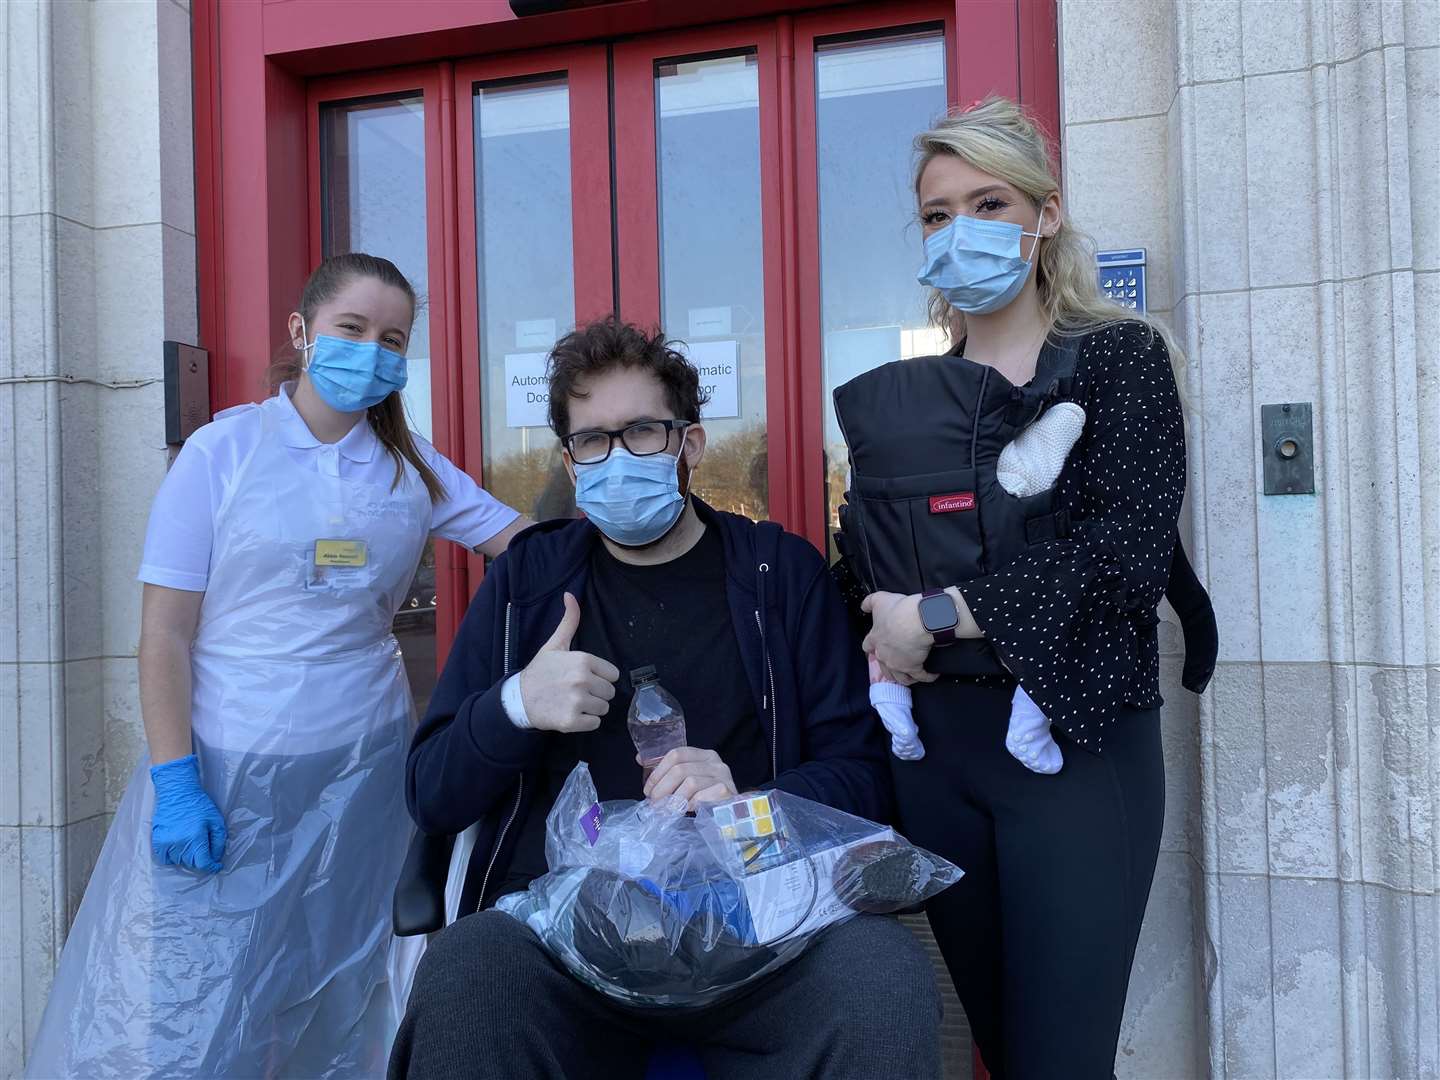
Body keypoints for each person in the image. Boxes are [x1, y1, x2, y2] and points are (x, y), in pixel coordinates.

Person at [391, 317, 941, 1080]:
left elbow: (862, 777)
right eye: (593, 440)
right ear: (570, 461)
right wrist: (515, 705)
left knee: (882, 979)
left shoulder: (779, 576)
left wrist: (748, 801)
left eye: (643, 431)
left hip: (759, 927)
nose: (617, 457)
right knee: (467, 974)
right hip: (562, 938)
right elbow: (432, 795)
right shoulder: (526, 585)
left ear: (690, 444)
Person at [26, 253, 531, 1078]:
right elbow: (164, 636)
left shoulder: (410, 465)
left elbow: (520, 544)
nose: (371, 351)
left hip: (363, 772)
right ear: (301, 332)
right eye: (352, 330)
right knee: (197, 1003)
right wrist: (176, 780)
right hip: (228, 772)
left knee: (344, 991)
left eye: (392, 339)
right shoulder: (222, 454)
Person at [834, 98, 1216, 1078]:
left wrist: (944, 611)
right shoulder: (914, 395)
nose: (961, 229)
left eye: (988, 202)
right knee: (1004, 1051)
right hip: (939, 765)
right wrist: (872, 603)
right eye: (936, 212)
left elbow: (1127, 555)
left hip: (1077, 753)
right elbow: (866, 554)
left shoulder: (1117, 359)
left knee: (1062, 1060)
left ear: (1044, 215)